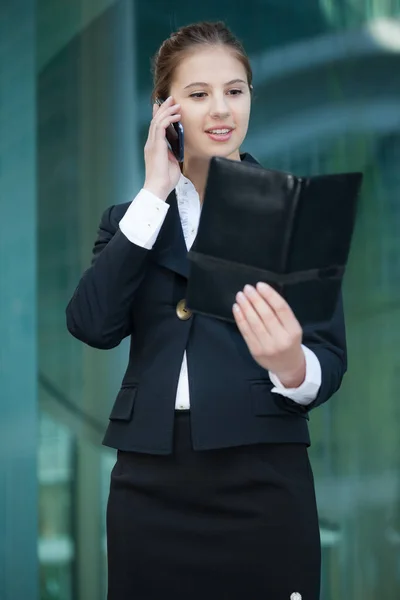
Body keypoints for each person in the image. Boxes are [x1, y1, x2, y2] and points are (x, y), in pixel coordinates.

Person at [66, 21, 347, 600]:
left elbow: (329, 358)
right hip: (149, 484)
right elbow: (92, 324)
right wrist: (153, 193)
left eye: (235, 91)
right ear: (164, 110)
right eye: (198, 95)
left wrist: (291, 363)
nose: (221, 109)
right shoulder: (131, 219)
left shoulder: (297, 209)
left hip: (261, 479)